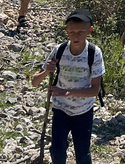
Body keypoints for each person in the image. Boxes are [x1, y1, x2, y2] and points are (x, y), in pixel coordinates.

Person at [31, 9, 105, 164]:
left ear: (89, 31)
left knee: (83, 153)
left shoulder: (94, 53)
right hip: (60, 110)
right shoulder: (59, 50)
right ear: (66, 31)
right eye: (71, 31)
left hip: (83, 111)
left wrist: (66, 92)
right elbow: (34, 81)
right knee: (57, 151)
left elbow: (94, 91)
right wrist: (46, 72)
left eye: (80, 31)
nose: (75, 35)